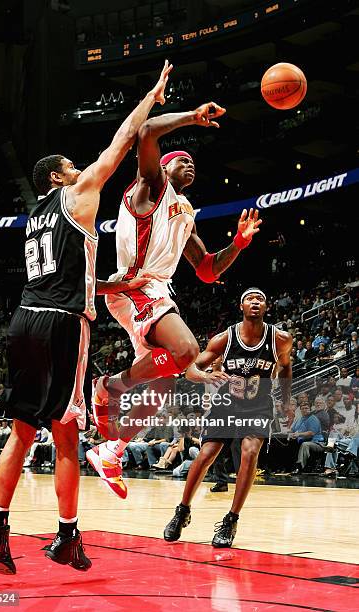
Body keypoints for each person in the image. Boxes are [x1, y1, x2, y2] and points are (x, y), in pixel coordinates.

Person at [0, 61, 173, 575]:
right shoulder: (78, 194)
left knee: (21, 429)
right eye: (71, 165)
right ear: (59, 176)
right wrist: (150, 98)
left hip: (24, 316)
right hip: (63, 323)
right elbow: (124, 140)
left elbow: (69, 270)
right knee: (66, 433)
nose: (79, 167)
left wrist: (111, 284)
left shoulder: (33, 218)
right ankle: (65, 536)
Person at [88, 105, 262, 499]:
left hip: (154, 291)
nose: (190, 164)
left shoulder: (184, 212)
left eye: (193, 161)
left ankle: (110, 451)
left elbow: (206, 269)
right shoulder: (150, 188)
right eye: (182, 159)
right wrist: (192, 118)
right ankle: (108, 387)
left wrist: (238, 243)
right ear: (163, 168)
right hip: (133, 286)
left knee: (163, 387)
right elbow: (147, 129)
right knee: (187, 350)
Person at [163, 288, 292, 547]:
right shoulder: (224, 339)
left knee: (249, 451)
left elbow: (286, 366)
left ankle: (231, 519)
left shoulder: (280, 339)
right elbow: (191, 370)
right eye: (249, 299)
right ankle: (182, 510)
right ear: (241, 306)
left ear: (266, 307)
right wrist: (207, 376)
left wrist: (286, 401)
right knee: (206, 453)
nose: (255, 302)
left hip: (258, 406)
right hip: (227, 404)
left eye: (261, 299)